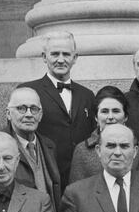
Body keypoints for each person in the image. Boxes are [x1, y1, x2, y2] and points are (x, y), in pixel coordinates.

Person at [0, 87, 61, 211]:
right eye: (21, 108)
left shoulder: (49, 146)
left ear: (41, 115)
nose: (29, 114)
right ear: (8, 114)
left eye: (34, 109)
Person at [18, 31, 96, 186]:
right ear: (44, 57)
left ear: (75, 58)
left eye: (66, 54)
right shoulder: (28, 91)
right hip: (45, 177)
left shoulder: (87, 95)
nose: (61, 60)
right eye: (55, 54)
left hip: (81, 180)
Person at [69, 86, 139, 183]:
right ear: (96, 117)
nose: (110, 117)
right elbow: (77, 192)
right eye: (104, 111)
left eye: (116, 111)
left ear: (125, 117)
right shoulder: (82, 151)